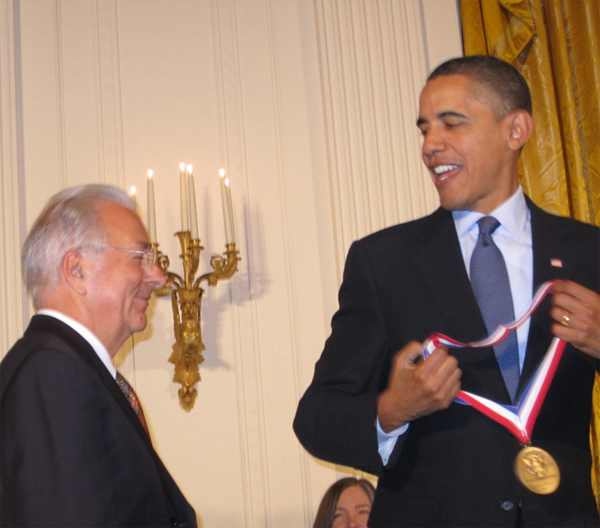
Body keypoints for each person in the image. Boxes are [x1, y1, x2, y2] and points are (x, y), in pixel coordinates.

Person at [294, 55, 600, 527]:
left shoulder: (588, 252)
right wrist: (392, 409)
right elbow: (317, 417)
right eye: (424, 129)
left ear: (515, 130)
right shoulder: (383, 262)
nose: (431, 145)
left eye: (451, 124)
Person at [0, 184, 197, 527]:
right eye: (141, 257)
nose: (159, 277)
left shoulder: (65, 369)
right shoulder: (52, 375)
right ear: (76, 270)